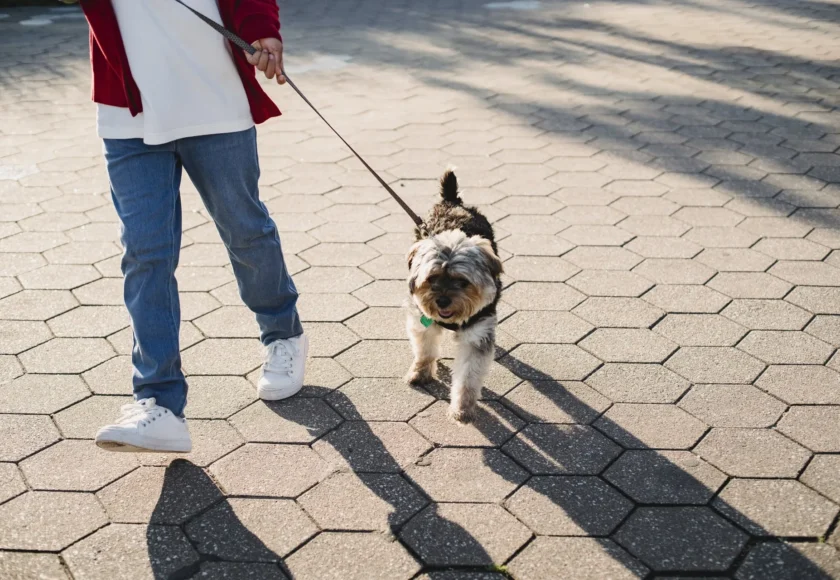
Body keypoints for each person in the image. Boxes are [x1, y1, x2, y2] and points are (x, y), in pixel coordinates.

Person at [74, 0, 308, 453]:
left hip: (212, 98)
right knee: (145, 253)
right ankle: (159, 403)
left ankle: (283, 333)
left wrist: (261, 29)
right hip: (129, 111)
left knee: (244, 228)